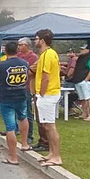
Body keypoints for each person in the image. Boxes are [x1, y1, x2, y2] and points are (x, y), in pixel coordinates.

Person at [0, 41, 31, 165]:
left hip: (7, 97)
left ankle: (13, 157)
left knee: (10, 127)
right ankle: (24, 144)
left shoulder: (1, 65)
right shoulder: (25, 63)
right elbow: (27, 76)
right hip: (21, 95)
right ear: (17, 50)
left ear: (6, 51)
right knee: (23, 118)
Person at [34, 29, 62, 167]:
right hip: (51, 92)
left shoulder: (46, 55)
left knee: (50, 126)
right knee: (46, 125)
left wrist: (42, 94)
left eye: (36, 39)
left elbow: (45, 77)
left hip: (48, 93)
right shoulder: (51, 54)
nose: (35, 41)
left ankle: (56, 156)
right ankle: (52, 153)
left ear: (42, 40)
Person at [17, 37, 41, 146]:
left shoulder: (33, 57)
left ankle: (30, 135)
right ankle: (16, 130)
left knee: (27, 112)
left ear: (26, 46)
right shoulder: (18, 56)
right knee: (16, 111)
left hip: (26, 87)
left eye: (20, 45)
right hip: (16, 86)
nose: (19, 47)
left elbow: (30, 71)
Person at [68, 43, 90, 121]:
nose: (81, 50)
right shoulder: (80, 58)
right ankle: (84, 113)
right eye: (81, 49)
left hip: (85, 82)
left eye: (83, 49)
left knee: (88, 98)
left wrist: (86, 80)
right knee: (82, 99)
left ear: (88, 50)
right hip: (78, 81)